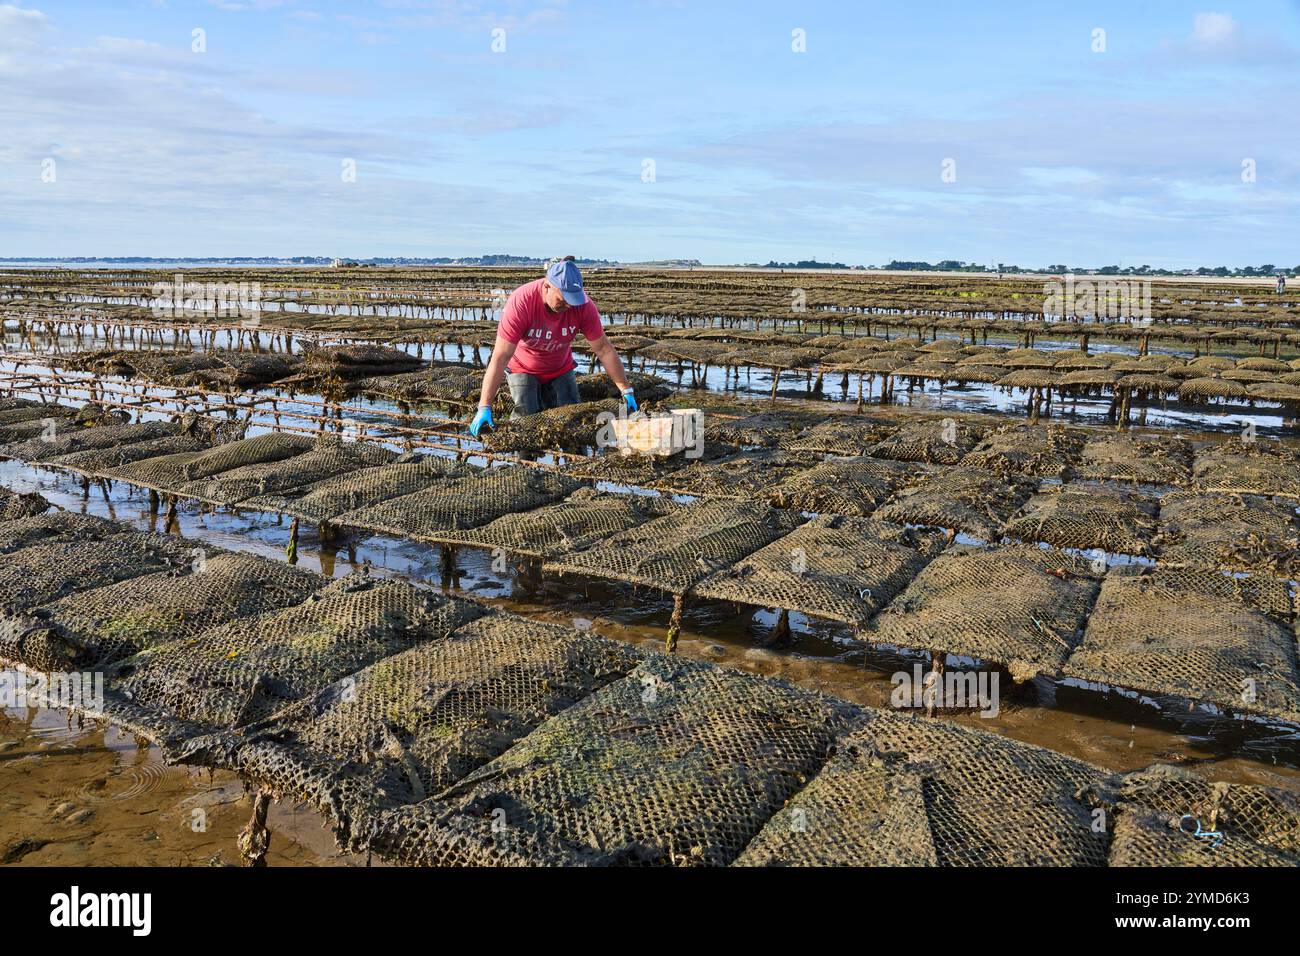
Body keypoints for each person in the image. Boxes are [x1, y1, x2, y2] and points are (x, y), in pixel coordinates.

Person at [468, 257, 637, 436]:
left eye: (573, 301)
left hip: (560, 367)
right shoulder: (521, 302)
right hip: (523, 367)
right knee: (526, 421)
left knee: (574, 420)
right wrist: (484, 406)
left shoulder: (583, 306)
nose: (568, 306)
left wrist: (626, 389)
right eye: (563, 300)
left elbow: (604, 349)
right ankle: (525, 461)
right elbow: (501, 357)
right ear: (547, 286)